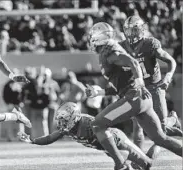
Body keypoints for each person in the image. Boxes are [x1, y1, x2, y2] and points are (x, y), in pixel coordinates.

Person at [85, 22, 182, 170]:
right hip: (140, 98)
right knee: (160, 138)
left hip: (135, 97)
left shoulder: (108, 52)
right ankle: (144, 163)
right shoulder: (111, 49)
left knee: (98, 124)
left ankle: (121, 164)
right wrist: (100, 92)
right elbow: (121, 83)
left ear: (98, 37)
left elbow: (134, 63)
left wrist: (140, 85)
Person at [18, 102, 153, 170]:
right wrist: (33, 141)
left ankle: (161, 138)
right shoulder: (70, 127)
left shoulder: (89, 123)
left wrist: (118, 155)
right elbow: (50, 138)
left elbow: (107, 131)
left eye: (65, 119)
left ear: (74, 117)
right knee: (135, 166)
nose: (62, 123)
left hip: (117, 141)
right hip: (108, 149)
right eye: (61, 120)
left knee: (147, 164)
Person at [120, 15, 182, 150]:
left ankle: (173, 120)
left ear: (141, 29)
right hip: (138, 89)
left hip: (155, 87)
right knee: (138, 125)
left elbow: (171, 61)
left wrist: (168, 76)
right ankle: (139, 158)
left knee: (162, 127)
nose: (131, 33)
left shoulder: (150, 44)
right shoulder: (121, 47)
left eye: (135, 30)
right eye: (129, 30)